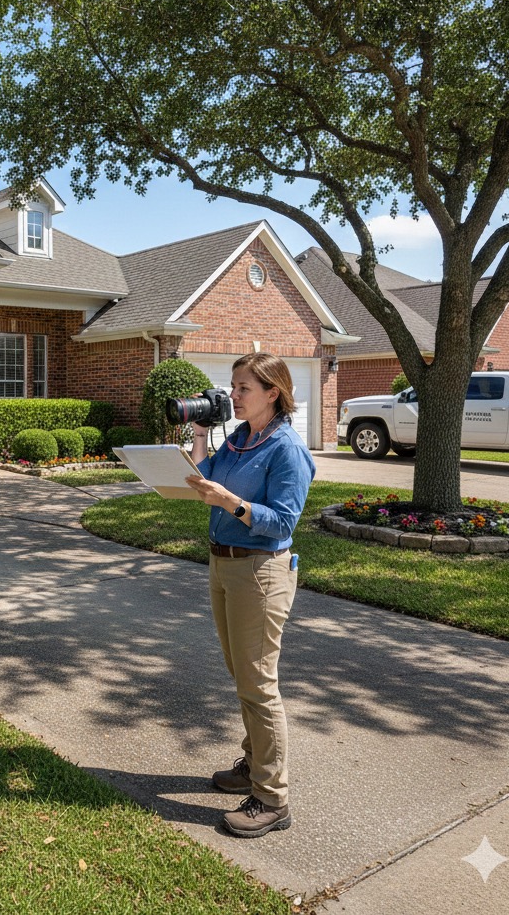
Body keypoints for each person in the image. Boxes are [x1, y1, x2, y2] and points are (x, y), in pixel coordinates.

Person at [184, 352, 315, 838]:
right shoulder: (239, 438)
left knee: (258, 683)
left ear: (272, 393)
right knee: (241, 672)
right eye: (233, 386)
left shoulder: (286, 450)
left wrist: (232, 503)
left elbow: (283, 520)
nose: (233, 395)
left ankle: (272, 798)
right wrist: (200, 433)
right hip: (223, 563)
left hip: (260, 572)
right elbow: (204, 480)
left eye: (243, 388)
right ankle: (254, 761)